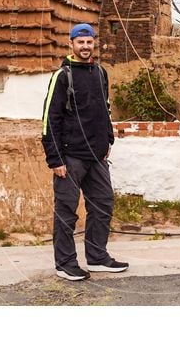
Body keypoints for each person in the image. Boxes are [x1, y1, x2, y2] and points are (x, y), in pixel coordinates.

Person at [41, 23, 129, 281]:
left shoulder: (100, 72)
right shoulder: (63, 76)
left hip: (97, 157)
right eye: (80, 42)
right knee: (67, 210)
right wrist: (54, 159)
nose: (85, 47)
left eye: (89, 42)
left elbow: (106, 108)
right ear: (71, 44)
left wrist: (108, 139)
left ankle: (98, 257)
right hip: (69, 158)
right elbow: (50, 119)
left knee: (103, 204)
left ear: (94, 43)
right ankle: (65, 264)